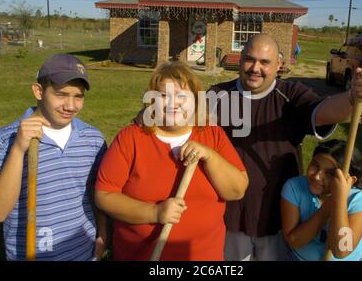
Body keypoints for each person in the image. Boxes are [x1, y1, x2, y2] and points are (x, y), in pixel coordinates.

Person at [208, 33, 362, 261]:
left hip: (278, 220)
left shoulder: (291, 95)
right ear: (240, 59)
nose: (255, 68)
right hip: (228, 218)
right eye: (249, 59)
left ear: (279, 64)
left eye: (265, 62)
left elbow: (326, 110)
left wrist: (352, 97)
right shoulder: (215, 95)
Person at [94, 61, 248, 261]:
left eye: (182, 96)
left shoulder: (212, 134)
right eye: (164, 96)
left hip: (203, 257)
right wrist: (155, 212)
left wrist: (210, 156)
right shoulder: (131, 137)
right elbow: (104, 196)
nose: (172, 104)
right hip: (140, 255)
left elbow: (236, 191)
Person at [0, 54, 107, 261]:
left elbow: (98, 193)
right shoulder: (5, 140)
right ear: (38, 91)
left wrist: (102, 234)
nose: (71, 106)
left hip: (84, 251)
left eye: (78, 96)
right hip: (32, 255)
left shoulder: (93, 139)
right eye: (61, 94)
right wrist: (18, 150)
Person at [281, 139, 362, 261]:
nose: (317, 176)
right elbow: (294, 241)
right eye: (315, 165)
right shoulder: (294, 187)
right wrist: (326, 208)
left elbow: (341, 250)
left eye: (330, 173)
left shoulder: (359, 200)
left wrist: (339, 200)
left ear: (349, 181)